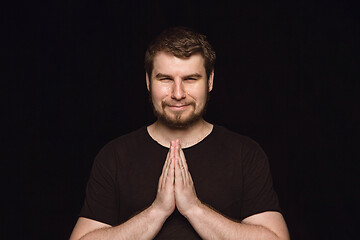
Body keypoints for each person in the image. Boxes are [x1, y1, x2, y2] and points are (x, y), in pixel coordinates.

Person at [70, 26, 290, 240]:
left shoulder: (246, 154)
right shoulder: (115, 156)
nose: (177, 93)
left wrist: (195, 209)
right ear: (148, 81)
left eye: (190, 79)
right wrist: (157, 211)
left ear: (210, 81)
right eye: (165, 79)